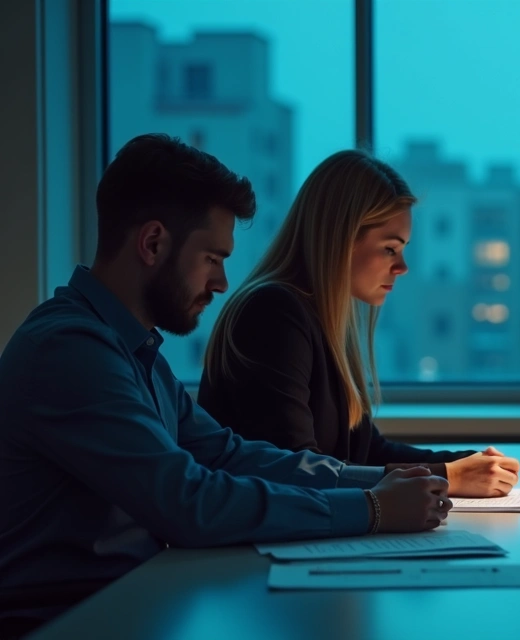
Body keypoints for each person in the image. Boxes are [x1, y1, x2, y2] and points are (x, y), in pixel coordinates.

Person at [0, 135, 449, 627]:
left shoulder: (134, 351)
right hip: (65, 622)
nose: (221, 283)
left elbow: (230, 454)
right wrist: (372, 509)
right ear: (152, 243)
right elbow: (189, 501)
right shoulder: (70, 351)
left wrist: (381, 484)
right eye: (213, 259)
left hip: (136, 604)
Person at [197, 150, 520, 498]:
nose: (403, 268)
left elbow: (368, 451)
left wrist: (468, 464)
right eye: (389, 249)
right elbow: (292, 470)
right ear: (340, 239)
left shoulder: (320, 316)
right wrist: (448, 476)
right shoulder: (273, 313)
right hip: (257, 547)